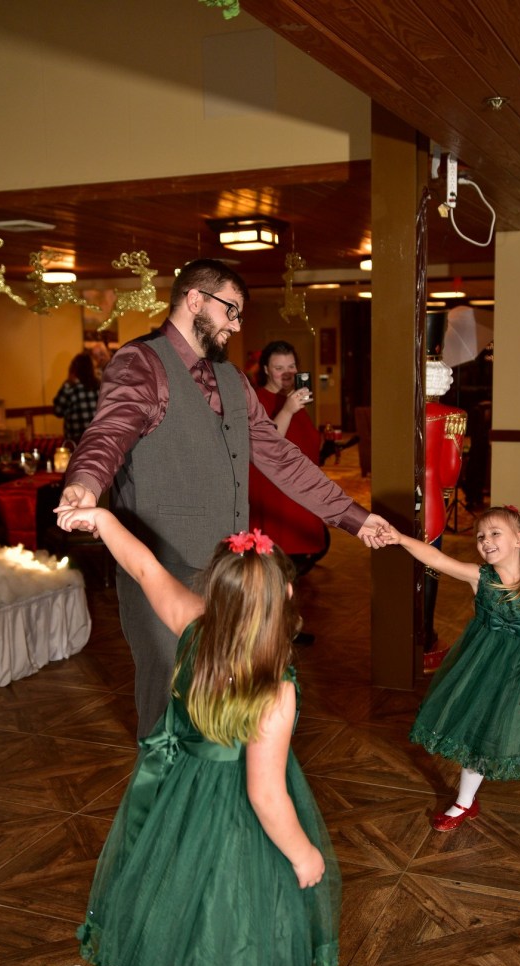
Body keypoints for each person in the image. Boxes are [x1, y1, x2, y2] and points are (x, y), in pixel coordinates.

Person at [57, 259, 387, 737]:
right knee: (167, 704)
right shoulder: (141, 363)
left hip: (229, 574)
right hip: (163, 567)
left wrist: (354, 517)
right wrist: (85, 483)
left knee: (223, 703)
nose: (235, 324)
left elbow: (282, 458)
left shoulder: (232, 378)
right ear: (195, 300)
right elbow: (108, 432)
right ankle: (163, 787)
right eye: (231, 310)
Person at [55, 504, 340, 966]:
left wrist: (101, 519)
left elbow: (144, 568)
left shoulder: (193, 626)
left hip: (179, 789)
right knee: (234, 904)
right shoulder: (274, 692)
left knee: (176, 888)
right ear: (286, 596)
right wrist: (302, 854)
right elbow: (265, 795)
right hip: (237, 814)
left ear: (216, 593)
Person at [381, 505, 520, 831]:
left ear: (519, 539)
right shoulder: (481, 577)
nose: (485, 540)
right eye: (480, 536)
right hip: (487, 665)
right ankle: (465, 801)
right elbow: (437, 560)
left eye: (494, 533)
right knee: (481, 731)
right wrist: (400, 538)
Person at [249, 341, 329, 578]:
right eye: (279, 368)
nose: (287, 373)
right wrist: (287, 410)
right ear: (266, 370)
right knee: (277, 569)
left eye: (291, 366)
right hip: (277, 500)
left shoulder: (293, 400)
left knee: (293, 569)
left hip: (300, 494)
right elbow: (268, 446)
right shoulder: (258, 400)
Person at [52, 352, 99, 443]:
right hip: (97, 441)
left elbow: (57, 411)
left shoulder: (70, 388)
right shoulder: (99, 388)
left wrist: (67, 383)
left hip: (76, 443)